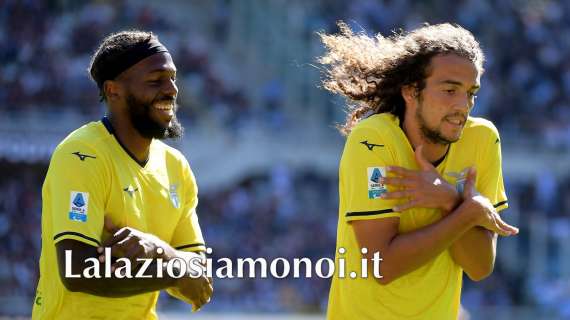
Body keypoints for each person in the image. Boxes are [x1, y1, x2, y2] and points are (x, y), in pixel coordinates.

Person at [320, 22, 519, 319]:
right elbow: (382, 265)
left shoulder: (483, 140)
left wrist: (449, 200)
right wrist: (466, 212)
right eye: (450, 90)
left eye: (471, 93)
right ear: (412, 91)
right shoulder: (373, 140)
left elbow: (479, 267)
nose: (463, 105)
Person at [32, 30, 213, 319]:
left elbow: (201, 283)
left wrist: (160, 252)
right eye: (155, 81)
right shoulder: (82, 155)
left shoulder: (175, 167)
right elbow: (77, 272)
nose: (172, 90)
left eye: (173, 78)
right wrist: (176, 271)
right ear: (114, 90)